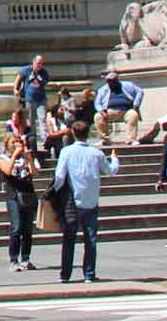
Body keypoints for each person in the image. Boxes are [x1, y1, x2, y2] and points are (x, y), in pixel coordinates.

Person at [50, 117, 118, 283]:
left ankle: (65, 274)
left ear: (73, 133)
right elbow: (110, 171)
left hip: (72, 201)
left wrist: (53, 193)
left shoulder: (66, 152)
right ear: (88, 134)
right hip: (91, 200)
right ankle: (89, 273)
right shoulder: (96, 153)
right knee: (90, 239)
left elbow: (59, 177)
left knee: (68, 239)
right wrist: (115, 159)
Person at [0, 127, 38, 271]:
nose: (16, 144)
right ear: (7, 144)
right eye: (13, 142)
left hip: (27, 193)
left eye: (18, 141)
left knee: (28, 228)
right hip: (13, 195)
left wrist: (29, 158)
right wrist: (14, 155)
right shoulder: (3, 158)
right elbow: (7, 171)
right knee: (17, 227)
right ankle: (13, 260)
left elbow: (34, 172)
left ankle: (26, 258)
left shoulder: (25, 157)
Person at [92, 69, 142, 145]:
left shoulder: (128, 85)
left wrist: (136, 105)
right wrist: (102, 112)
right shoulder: (102, 89)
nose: (110, 82)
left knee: (133, 114)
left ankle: (131, 139)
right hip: (109, 112)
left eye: (112, 80)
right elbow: (97, 103)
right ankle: (104, 140)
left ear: (117, 79)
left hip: (126, 111)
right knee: (98, 116)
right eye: (108, 81)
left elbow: (140, 91)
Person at [17, 56, 50, 127]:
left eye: (41, 63)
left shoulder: (44, 72)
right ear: (33, 62)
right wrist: (15, 89)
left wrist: (40, 80)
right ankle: (32, 137)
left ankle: (44, 137)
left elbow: (45, 82)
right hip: (29, 99)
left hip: (41, 99)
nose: (40, 65)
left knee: (42, 119)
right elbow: (18, 79)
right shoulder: (26, 70)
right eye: (38, 63)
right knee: (31, 120)